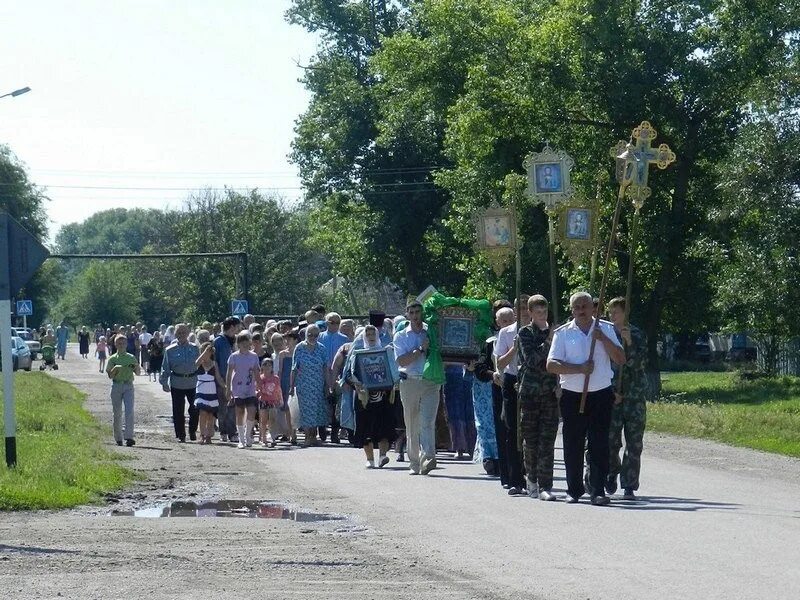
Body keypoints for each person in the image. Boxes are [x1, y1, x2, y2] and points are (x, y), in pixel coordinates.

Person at [547, 292, 625, 506]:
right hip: (572, 395)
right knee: (573, 443)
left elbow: (620, 358)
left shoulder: (606, 328)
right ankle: (574, 490)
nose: (581, 310)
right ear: (572, 310)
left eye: (585, 306)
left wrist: (603, 339)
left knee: (600, 443)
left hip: (600, 393)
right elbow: (551, 365)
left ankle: (598, 490)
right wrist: (578, 369)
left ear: (593, 308)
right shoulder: (563, 333)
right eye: (577, 307)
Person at [606, 297, 649, 500]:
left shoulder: (637, 334)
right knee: (611, 441)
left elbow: (639, 363)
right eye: (610, 312)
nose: (612, 316)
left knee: (634, 443)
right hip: (612, 394)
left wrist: (629, 343)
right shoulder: (606, 334)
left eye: (616, 312)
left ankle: (629, 484)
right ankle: (611, 472)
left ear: (625, 313)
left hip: (634, 396)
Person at [517, 295, 559, 501]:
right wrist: (548, 341)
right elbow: (531, 360)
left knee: (547, 441)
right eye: (538, 312)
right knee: (531, 441)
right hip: (531, 394)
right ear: (530, 313)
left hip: (550, 393)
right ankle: (531, 479)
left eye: (545, 311)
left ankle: (546, 485)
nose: (542, 315)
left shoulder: (556, 332)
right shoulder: (525, 333)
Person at [393, 300, 441, 476]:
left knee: (428, 421)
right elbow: (402, 361)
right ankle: (414, 462)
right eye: (411, 312)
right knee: (412, 423)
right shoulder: (401, 335)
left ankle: (428, 457)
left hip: (430, 381)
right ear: (407, 314)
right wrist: (420, 349)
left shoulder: (432, 331)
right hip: (410, 381)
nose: (415, 316)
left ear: (422, 313)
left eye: (418, 312)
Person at [493, 295, 531, 495]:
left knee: (531, 431)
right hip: (512, 380)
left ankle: (533, 475)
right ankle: (515, 478)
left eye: (527, 307)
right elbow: (499, 363)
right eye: (521, 307)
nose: (524, 311)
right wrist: (514, 348)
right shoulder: (506, 332)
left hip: (532, 382)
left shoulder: (539, 329)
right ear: (515, 311)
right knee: (512, 430)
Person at [347, 325, 397, 468]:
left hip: (384, 395)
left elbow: (394, 373)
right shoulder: (357, 353)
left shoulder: (387, 352)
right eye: (367, 334)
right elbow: (350, 374)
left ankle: (382, 456)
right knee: (365, 427)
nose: (370, 336)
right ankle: (370, 459)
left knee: (384, 427)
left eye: (372, 333)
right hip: (365, 396)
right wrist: (358, 383)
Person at [290, 323, 330, 447]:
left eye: (315, 335)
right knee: (306, 411)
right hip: (304, 385)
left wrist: (327, 385)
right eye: (310, 334)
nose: (312, 337)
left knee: (317, 410)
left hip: (318, 384)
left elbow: (325, 367)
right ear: (305, 335)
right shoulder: (299, 348)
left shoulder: (322, 348)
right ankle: (307, 437)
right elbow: (294, 368)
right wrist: (292, 386)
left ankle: (313, 436)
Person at [160, 323, 201, 443]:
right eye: (179, 333)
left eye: (184, 332)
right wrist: (164, 382)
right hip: (177, 382)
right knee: (178, 410)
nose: (182, 335)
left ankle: (192, 430)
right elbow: (165, 367)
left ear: (188, 333)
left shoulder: (194, 348)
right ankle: (181, 434)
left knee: (195, 408)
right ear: (176, 334)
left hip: (193, 382)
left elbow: (200, 364)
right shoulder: (170, 350)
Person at [225, 332, 261, 449]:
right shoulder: (234, 356)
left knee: (251, 411)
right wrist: (228, 389)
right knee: (239, 412)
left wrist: (260, 385)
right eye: (242, 343)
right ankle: (241, 439)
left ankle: (247, 435)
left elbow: (256, 371)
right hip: (238, 388)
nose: (245, 345)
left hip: (250, 387)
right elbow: (229, 373)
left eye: (247, 343)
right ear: (238, 344)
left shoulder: (254, 356)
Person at [319, 312, 348, 444]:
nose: (335, 325)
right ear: (326, 323)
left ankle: (335, 432)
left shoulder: (344, 339)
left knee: (336, 404)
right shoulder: (319, 337)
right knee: (323, 402)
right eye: (332, 322)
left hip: (338, 375)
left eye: (337, 322)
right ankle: (322, 427)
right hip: (322, 374)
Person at [106, 334, 140, 446]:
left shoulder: (131, 357)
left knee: (129, 411)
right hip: (116, 385)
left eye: (123, 343)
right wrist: (115, 368)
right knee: (117, 412)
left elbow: (138, 372)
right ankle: (118, 438)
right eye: (119, 343)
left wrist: (136, 367)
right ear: (115, 344)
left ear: (126, 344)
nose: (121, 345)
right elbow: (110, 375)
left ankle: (129, 437)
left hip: (128, 386)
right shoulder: (112, 359)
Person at [214, 316, 242, 443]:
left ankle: (232, 432)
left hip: (236, 380)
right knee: (223, 407)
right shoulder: (218, 342)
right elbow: (215, 363)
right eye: (238, 327)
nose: (239, 329)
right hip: (222, 379)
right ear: (232, 327)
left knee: (233, 407)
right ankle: (223, 431)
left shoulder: (237, 340)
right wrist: (219, 379)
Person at [194, 342, 225, 444]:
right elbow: (196, 363)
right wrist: (204, 352)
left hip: (211, 389)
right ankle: (202, 434)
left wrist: (226, 387)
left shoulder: (214, 363)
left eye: (209, 351)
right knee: (202, 413)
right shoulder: (200, 363)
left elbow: (219, 378)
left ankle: (209, 435)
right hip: (201, 389)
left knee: (210, 414)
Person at [257, 357, 283, 447]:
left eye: (269, 365)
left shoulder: (275, 378)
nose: (267, 367)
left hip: (273, 401)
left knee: (272, 420)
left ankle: (271, 436)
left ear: (272, 367)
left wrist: (280, 399)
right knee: (263, 420)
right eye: (265, 365)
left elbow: (278, 389)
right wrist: (257, 393)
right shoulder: (260, 378)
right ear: (261, 367)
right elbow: (256, 388)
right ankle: (263, 438)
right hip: (263, 401)